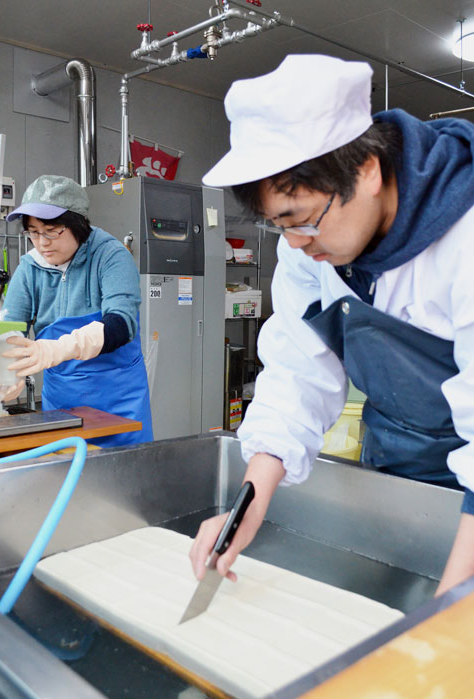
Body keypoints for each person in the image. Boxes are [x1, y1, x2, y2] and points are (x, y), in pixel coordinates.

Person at [189, 54, 474, 596]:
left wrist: (448, 615)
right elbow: (298, 370)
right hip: (395, 474)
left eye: (303, 220)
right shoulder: (310, 246)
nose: (297, 244)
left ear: (367, 171)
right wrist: (247, 504)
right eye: (279, 226)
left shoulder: (465, 234)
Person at [1, 174, 153, 446]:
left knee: (121, 471)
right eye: (33, 232)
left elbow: (121, 323)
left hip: (118, 401)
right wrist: (6, 373)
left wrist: (59, 348)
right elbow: (10, 331)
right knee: (65, 468)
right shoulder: (30, 268)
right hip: (61, 405)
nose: (42, 242)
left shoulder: (110, 255)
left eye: (51, 230)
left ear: (78, 224)